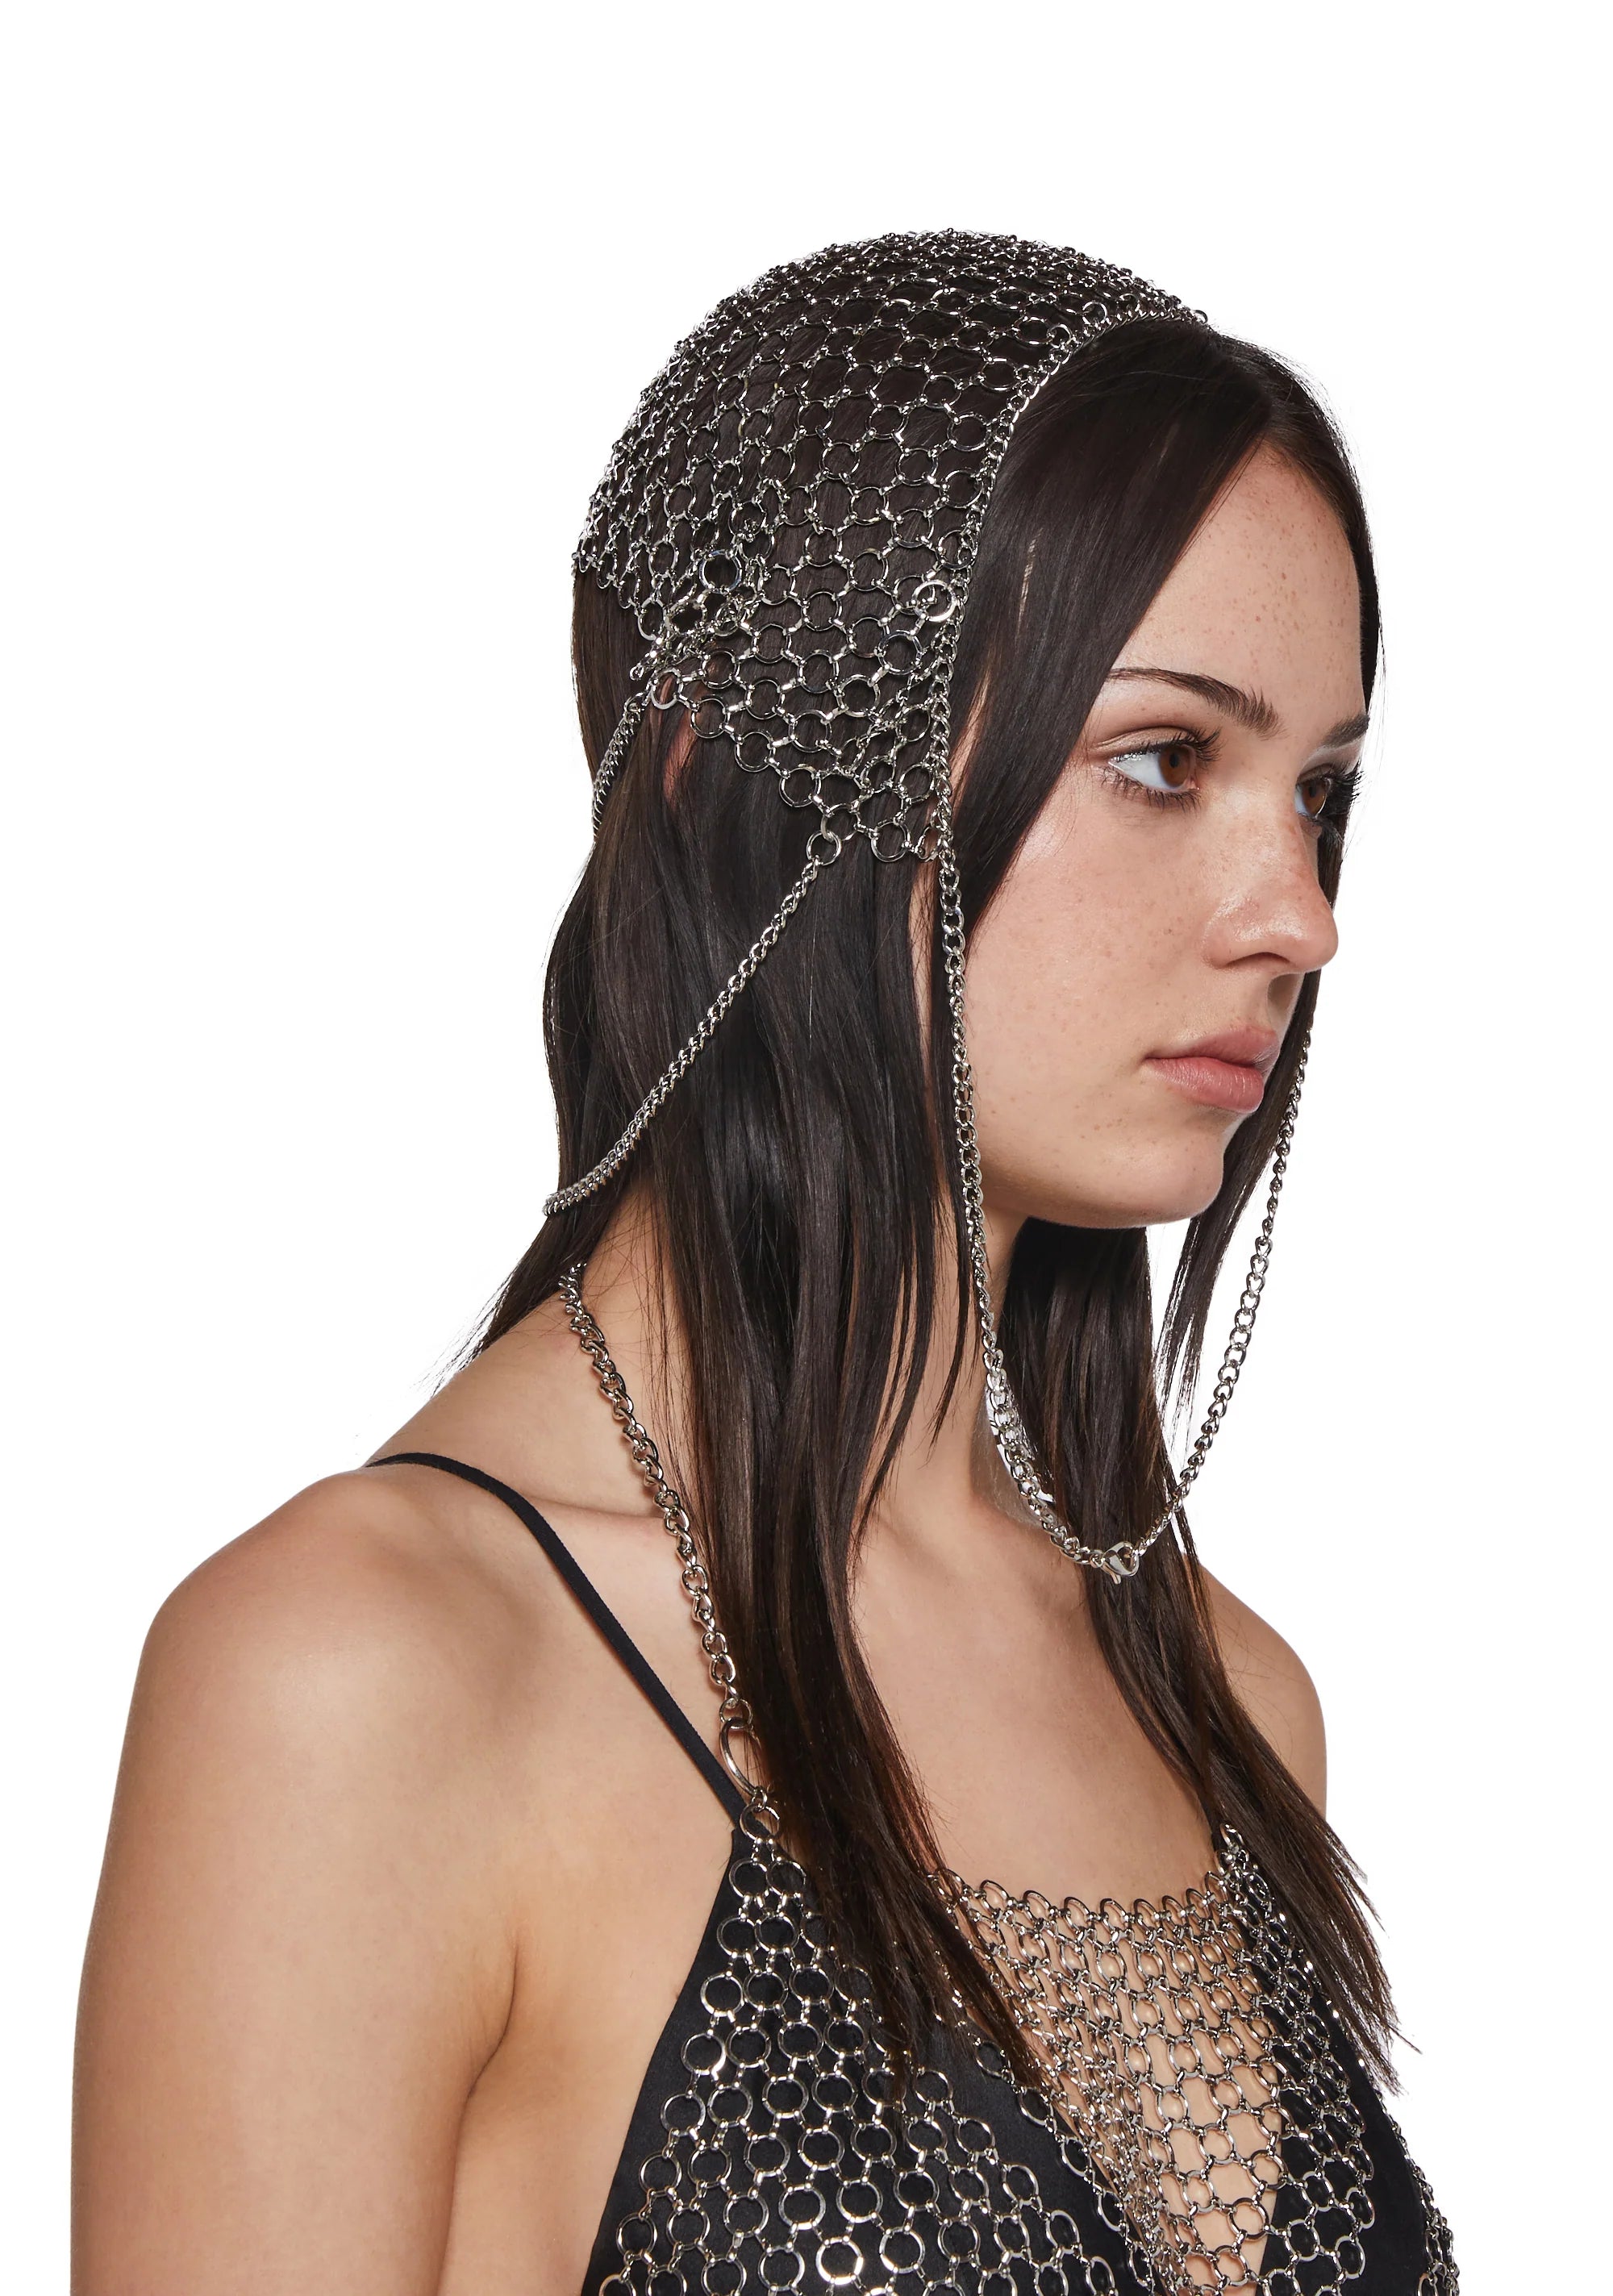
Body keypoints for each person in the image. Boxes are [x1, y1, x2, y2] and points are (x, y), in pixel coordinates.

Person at [73, 231, 1457, 2294]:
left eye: (1319, 792)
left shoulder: (1217, 1692)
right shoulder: (362, 1678)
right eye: (1164, 759)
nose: (1298, 915)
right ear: (745, 770)